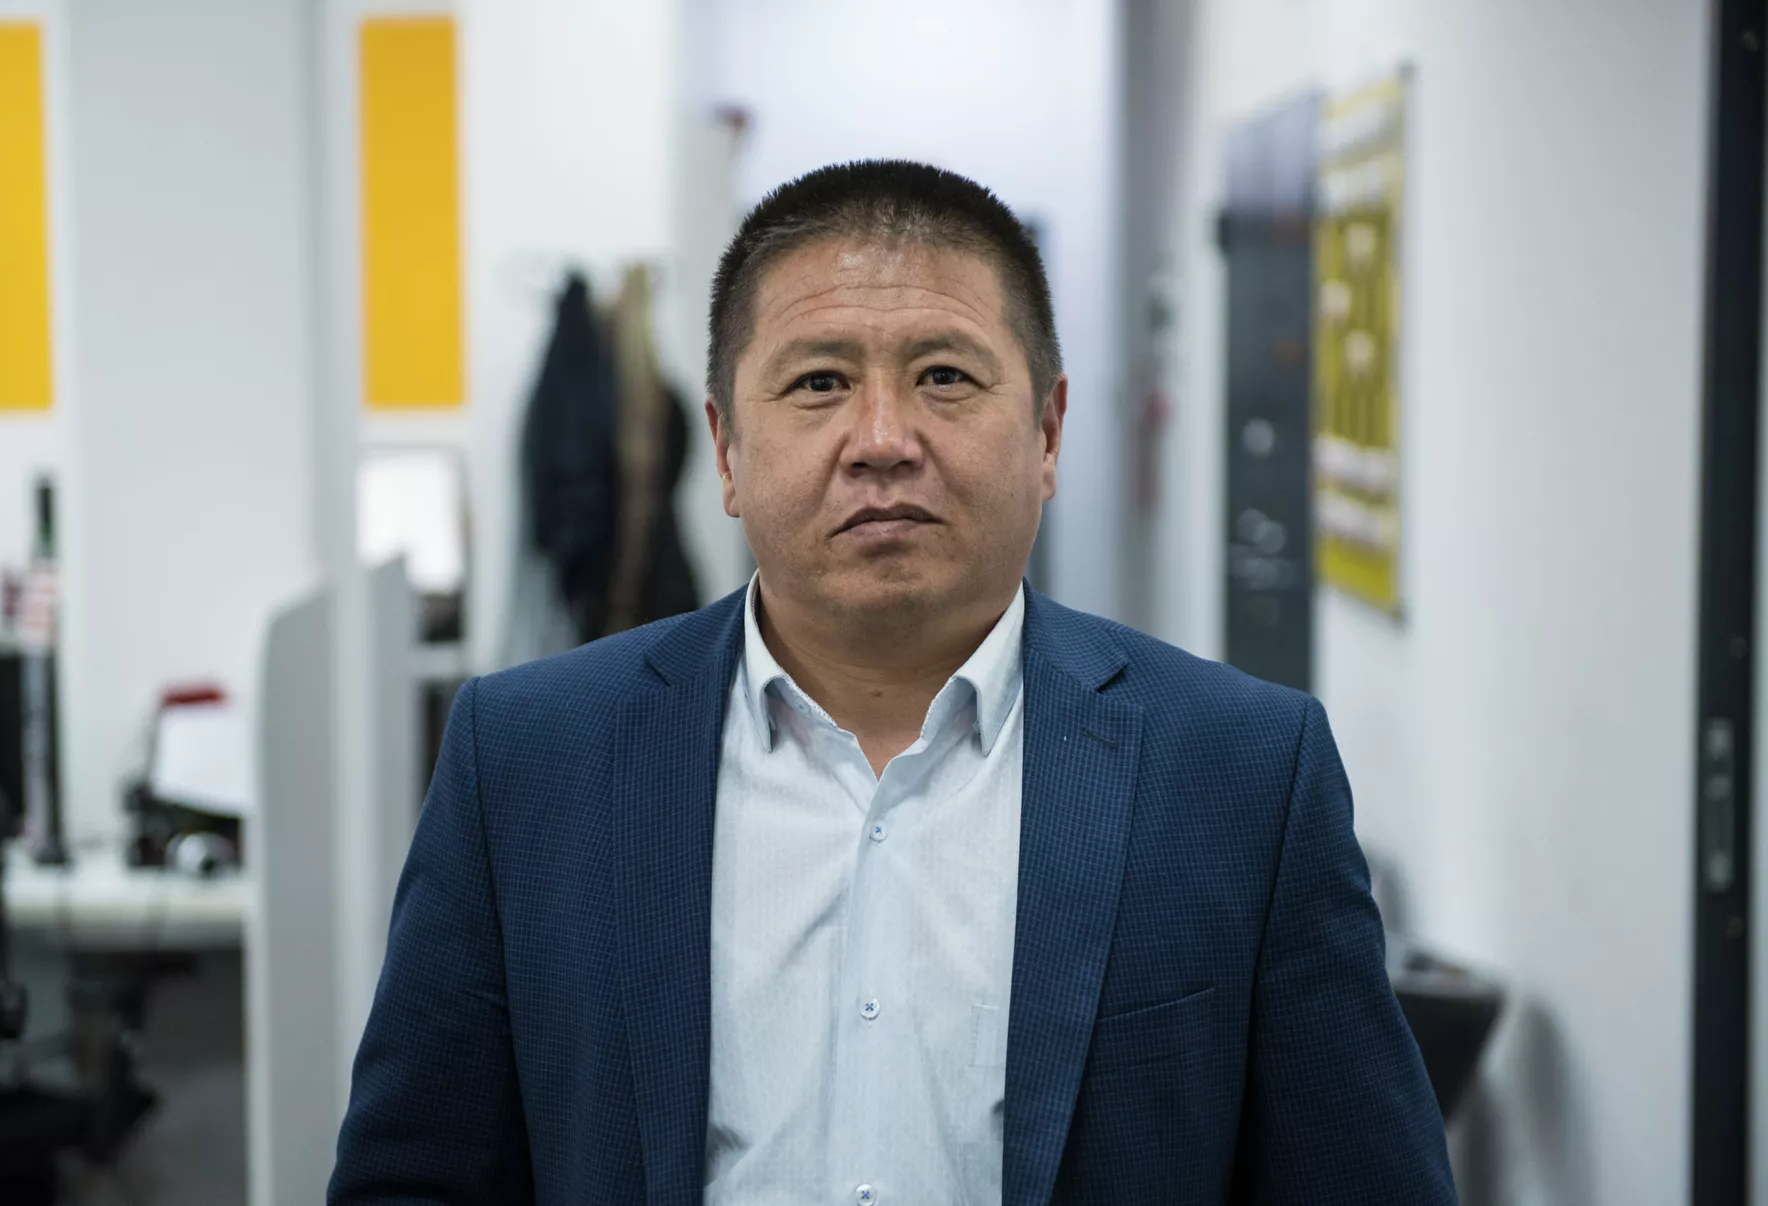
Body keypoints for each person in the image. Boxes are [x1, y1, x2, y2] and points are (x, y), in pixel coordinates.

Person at [328, 160, 1455, 1206]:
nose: (882, 439)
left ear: (1048, 432)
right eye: (819, 381)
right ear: (724, 450)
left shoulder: (1242, 774)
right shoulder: (528, 760)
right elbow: (415, 1181)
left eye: (945, 377)